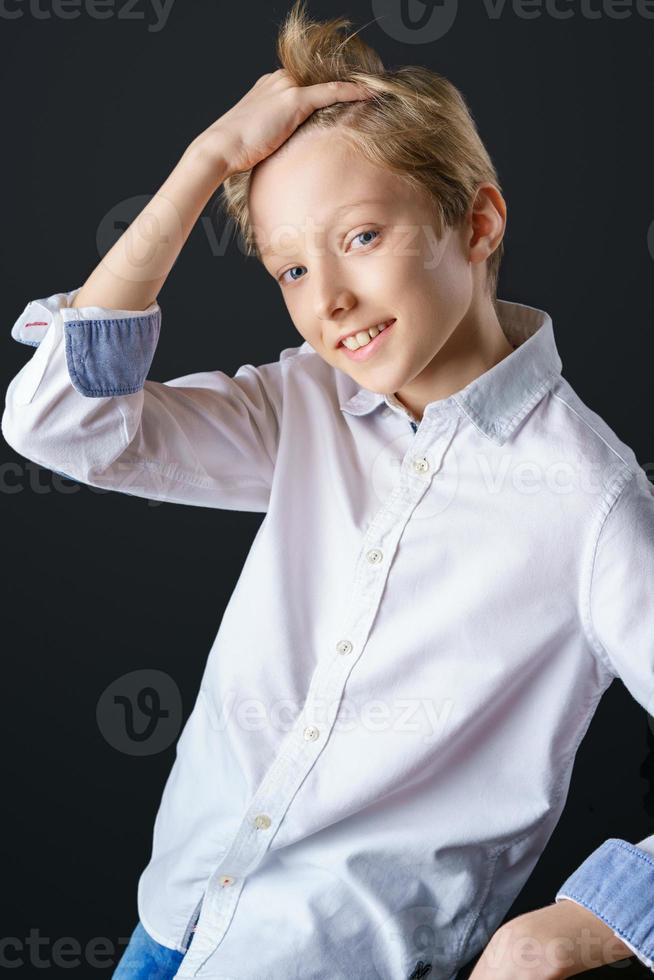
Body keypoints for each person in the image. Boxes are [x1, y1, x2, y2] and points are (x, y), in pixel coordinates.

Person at [3, 2, 654, 978]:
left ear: (476, 223)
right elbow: (57, 422)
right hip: (167, 931)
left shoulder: (589, 498)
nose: (328, 300)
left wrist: (581, 921)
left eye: (361, 237)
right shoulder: (300, 404)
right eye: (292, 267)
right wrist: (203, 164)